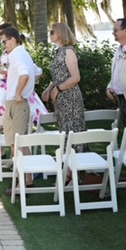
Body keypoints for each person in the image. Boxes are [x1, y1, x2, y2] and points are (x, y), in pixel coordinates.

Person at [41, 23, 87, 161]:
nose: (50, 35)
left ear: (60, 33)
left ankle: (72, 173)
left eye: (52, 32)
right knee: (64, 132)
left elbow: (76, 77)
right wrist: (48, 90)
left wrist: (59, 88)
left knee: (72, 132)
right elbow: (58, 77)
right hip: (61, 100)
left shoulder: (69, 51)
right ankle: (69, 170)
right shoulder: (59, 51)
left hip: (70, 98)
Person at [0, 26, 36, 193]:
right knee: (21, 143)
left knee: (17, 145)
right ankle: (27, 180)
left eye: (4, 42)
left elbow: (25, 74)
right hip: (18, 103)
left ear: (13, 40)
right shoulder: (23, 53)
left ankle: (22, 184)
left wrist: (19, 92)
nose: (4, 45)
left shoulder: (15, 55)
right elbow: (37, 72)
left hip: (16, 103)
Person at [106, 17, 126, 127]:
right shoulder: (119, 51)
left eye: (115, 30)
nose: (113, 33)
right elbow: (117, 72)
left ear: (125, 31)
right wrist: (110, 86)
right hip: (122, 99)